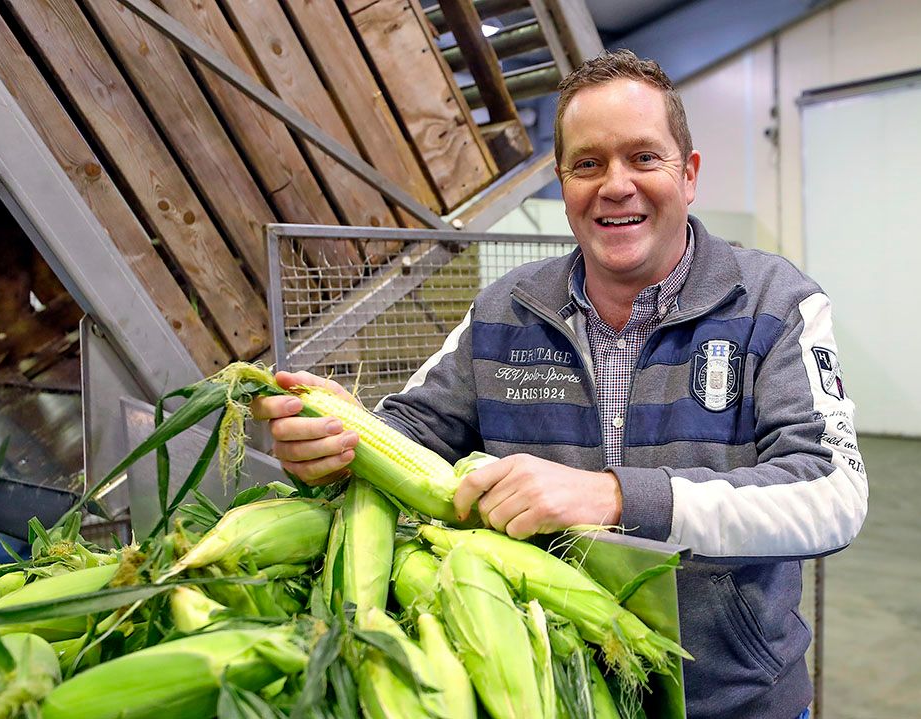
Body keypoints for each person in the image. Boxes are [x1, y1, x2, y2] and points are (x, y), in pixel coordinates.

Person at [252, 50, 867, 719]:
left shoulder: (774, 303)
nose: (616, 185)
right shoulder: (503, 312)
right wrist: (338, 439)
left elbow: (832, 493)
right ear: (563, 182)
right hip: (555, 693)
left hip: (732, 702)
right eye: (588, 163)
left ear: (688, 175)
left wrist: (614, 496)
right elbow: (410, 432)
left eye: (643, 157)